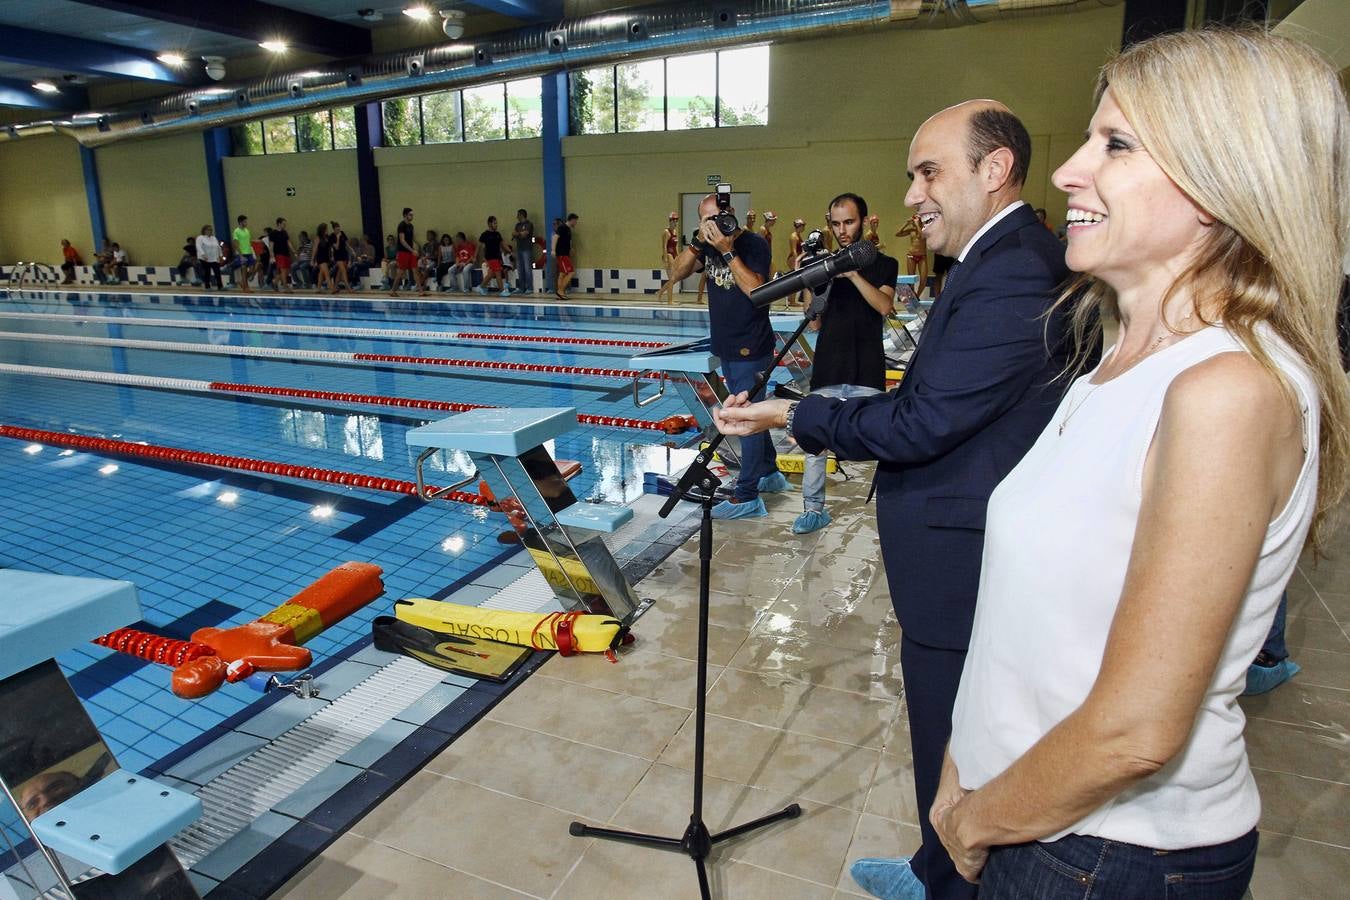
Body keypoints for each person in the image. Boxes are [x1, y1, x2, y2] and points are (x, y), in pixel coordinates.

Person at [928, 30, 1349, 899]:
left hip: (1104, 852)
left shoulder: (1227, 389)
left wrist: (973, 824)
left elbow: (1136, 732)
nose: (1066, 172)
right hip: (1027, 810)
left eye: (1115, 145)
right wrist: (958, 768)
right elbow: (1030, 631)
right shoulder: (1117, 359)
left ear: (1224, 178)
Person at [714, 101, 1076, 898]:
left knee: (957, 735)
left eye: (928, 171)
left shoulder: (1015, 265)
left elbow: (923, 421)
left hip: (965, 555)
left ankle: (950, 883)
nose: (912, 193)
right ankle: (934, 864)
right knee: (948, 737)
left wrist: (791, 413)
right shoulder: (993, 258)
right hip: (959, 548)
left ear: (993, 169)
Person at [668, 192, 789, 519]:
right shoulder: (705, 244)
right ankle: (769, 474)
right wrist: (697, 244)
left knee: (744, 418)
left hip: (751, 345)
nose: (713, 224)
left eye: (717, 216)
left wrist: (727, 250)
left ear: (730, 213)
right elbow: (676, 274)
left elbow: (757, 293)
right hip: (727, 344)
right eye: (705, 219)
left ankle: (747, 495)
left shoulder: (753, 244)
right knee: (753, 410)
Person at [792, 193, 898, 535]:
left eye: (849, 222)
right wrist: (809, 278)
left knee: (881, 439)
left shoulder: (884, 264)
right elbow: (814, 323)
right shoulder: (823, 268)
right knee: (814, 442)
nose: (842, 230)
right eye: (835, 223)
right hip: (828, 366)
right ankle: (813, 510)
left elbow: (883, 306)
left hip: (866, 366)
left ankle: (893, 507)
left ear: (863, 221)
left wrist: (851, 274)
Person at [896, 214, 928, 297]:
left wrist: (917, 224)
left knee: (923, 280)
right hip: (911, 256)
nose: (915, 220)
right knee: (911, 281)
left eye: (917, 219)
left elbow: (922, 237)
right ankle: (912, 297)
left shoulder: (925, 229)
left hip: (922, 257)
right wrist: (906, 224)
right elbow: (898, 234)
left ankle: (917, 296)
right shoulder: (911, 230)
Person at [477, 216, 509, 296]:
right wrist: (475, 256)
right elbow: (479, 246)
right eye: (495, 223)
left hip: (497, 256)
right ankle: (502, 291)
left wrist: (509, 250)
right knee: (498, 273)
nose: (496, 225)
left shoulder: (497, 234)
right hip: (490, 257)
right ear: (489, 224)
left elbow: (502, 244)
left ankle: (481, 287)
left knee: (491, 274)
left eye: (496, 223)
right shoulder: (485, 234)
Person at [391, 208, 417, 297]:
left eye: (412, 215)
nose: (412, 216)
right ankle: (393, 290)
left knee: (415, 269)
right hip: (403, 252)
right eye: (410, 215)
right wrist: (412, 250)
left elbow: (411, 240)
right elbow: (402, 240)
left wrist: (414, 249)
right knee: (401, 271)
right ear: (405, 215)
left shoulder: (411, 226)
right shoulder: (401, 226)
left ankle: (420, 291)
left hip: (410, 251)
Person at [553, 213, 579, 301]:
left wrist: (571, 248)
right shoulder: (562, 227)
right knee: (571, 272)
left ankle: (560, 293)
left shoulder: (568, 229)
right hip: (561, 254)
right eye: (575, 221)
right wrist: (553, 250)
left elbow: (568, 241)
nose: (576, 223)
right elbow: (555, 237)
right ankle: (560, 291)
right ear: (572, 220)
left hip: (565, 254)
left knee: (562, 273)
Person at [658, 212, 680, 304]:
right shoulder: (666, 232)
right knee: (671, 279)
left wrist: (679, 257)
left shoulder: (675, 232)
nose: (675, 223)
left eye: (676, 221)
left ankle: (660, 292)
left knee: (673, 279)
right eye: (674, 221)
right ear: (670, 221)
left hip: (674, 254)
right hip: (668, 255)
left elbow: (675, 246)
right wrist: (666, 259)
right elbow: (664, 246)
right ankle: (670, 300)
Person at [513, 208, 536, 294]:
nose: (517, 217)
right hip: (519, 249)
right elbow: (514, 234)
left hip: (527, 249)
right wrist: (520, 234)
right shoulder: (517, 225)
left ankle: (529, 287)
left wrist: (518, 234)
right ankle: (521, 287)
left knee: (527, 269)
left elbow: (524, 234)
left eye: (518, 215)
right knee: (520, 269)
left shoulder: (529, 224)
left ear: (521, 215)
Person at [232, 214, 255, 292]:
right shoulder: (236, 231)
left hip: (249, 252)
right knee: (244, 271)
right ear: (240, 222)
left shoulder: (247, 230)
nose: (246, 223)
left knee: (251, 270)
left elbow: (248, 242)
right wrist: (240, 255)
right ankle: (246, 288)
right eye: (245, 222)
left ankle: (242, 282)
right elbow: (235, 243)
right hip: (242, 253)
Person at [195, 225, 222, 290]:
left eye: (211, 230)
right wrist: (203, 254)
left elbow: (218, 247)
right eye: (208, 230)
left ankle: (220, 286)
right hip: (204, 258)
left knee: (217, 272)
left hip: (214, 258)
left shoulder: (214, 238)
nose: (210, 231)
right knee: (207, 272)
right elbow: (198, 246)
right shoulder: (200, 238)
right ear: (204, 230)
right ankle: (207, 286)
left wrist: (220, 255)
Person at [271, 217, 292, 290]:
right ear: (279, 224)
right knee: (283, 270)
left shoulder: (284, 232)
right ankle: (285, 286)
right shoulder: (273, 233)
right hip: (279, 254)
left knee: (287, 270)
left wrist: (293, 251)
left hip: (286, 253)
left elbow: (288, 242)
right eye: (283, 224)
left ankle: (275, 281)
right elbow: (271, 245)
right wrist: (272, 255)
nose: (285, 225)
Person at [330, 221, 351, 293]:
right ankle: (348, 287)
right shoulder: (332, 236)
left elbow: (346, 243)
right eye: (337, 230)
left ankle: (335, 287)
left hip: (344, 254)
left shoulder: (342, 233)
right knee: (343, 270)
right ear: (334, 229)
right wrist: (338, 238)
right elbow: (336, 247)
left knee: (340, 271)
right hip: (337, 255)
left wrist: (352, 250)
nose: (338, 231)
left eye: (339, 229)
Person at [312, 222, 332, 292]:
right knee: (327, 273)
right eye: (326, 229)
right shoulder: (318, 238)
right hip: (320, 258)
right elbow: (315, 249)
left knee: (321, 273)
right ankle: (331, 288)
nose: (327, 230)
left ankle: (318, 288)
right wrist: (312, 260)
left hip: (326, 257)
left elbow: (330, 248)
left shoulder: (327, 237)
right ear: (323, 230)